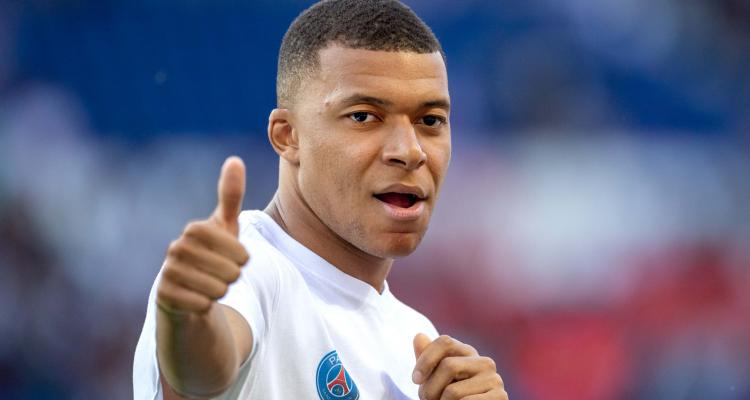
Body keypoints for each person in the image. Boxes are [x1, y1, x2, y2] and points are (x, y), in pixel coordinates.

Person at [133, 0, 508, 399]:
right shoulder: (253, 265)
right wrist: (186, 318)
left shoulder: (417, 342)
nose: (410, 151)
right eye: (363, 116)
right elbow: (201, 371)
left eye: (430, 121)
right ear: (287, 136)